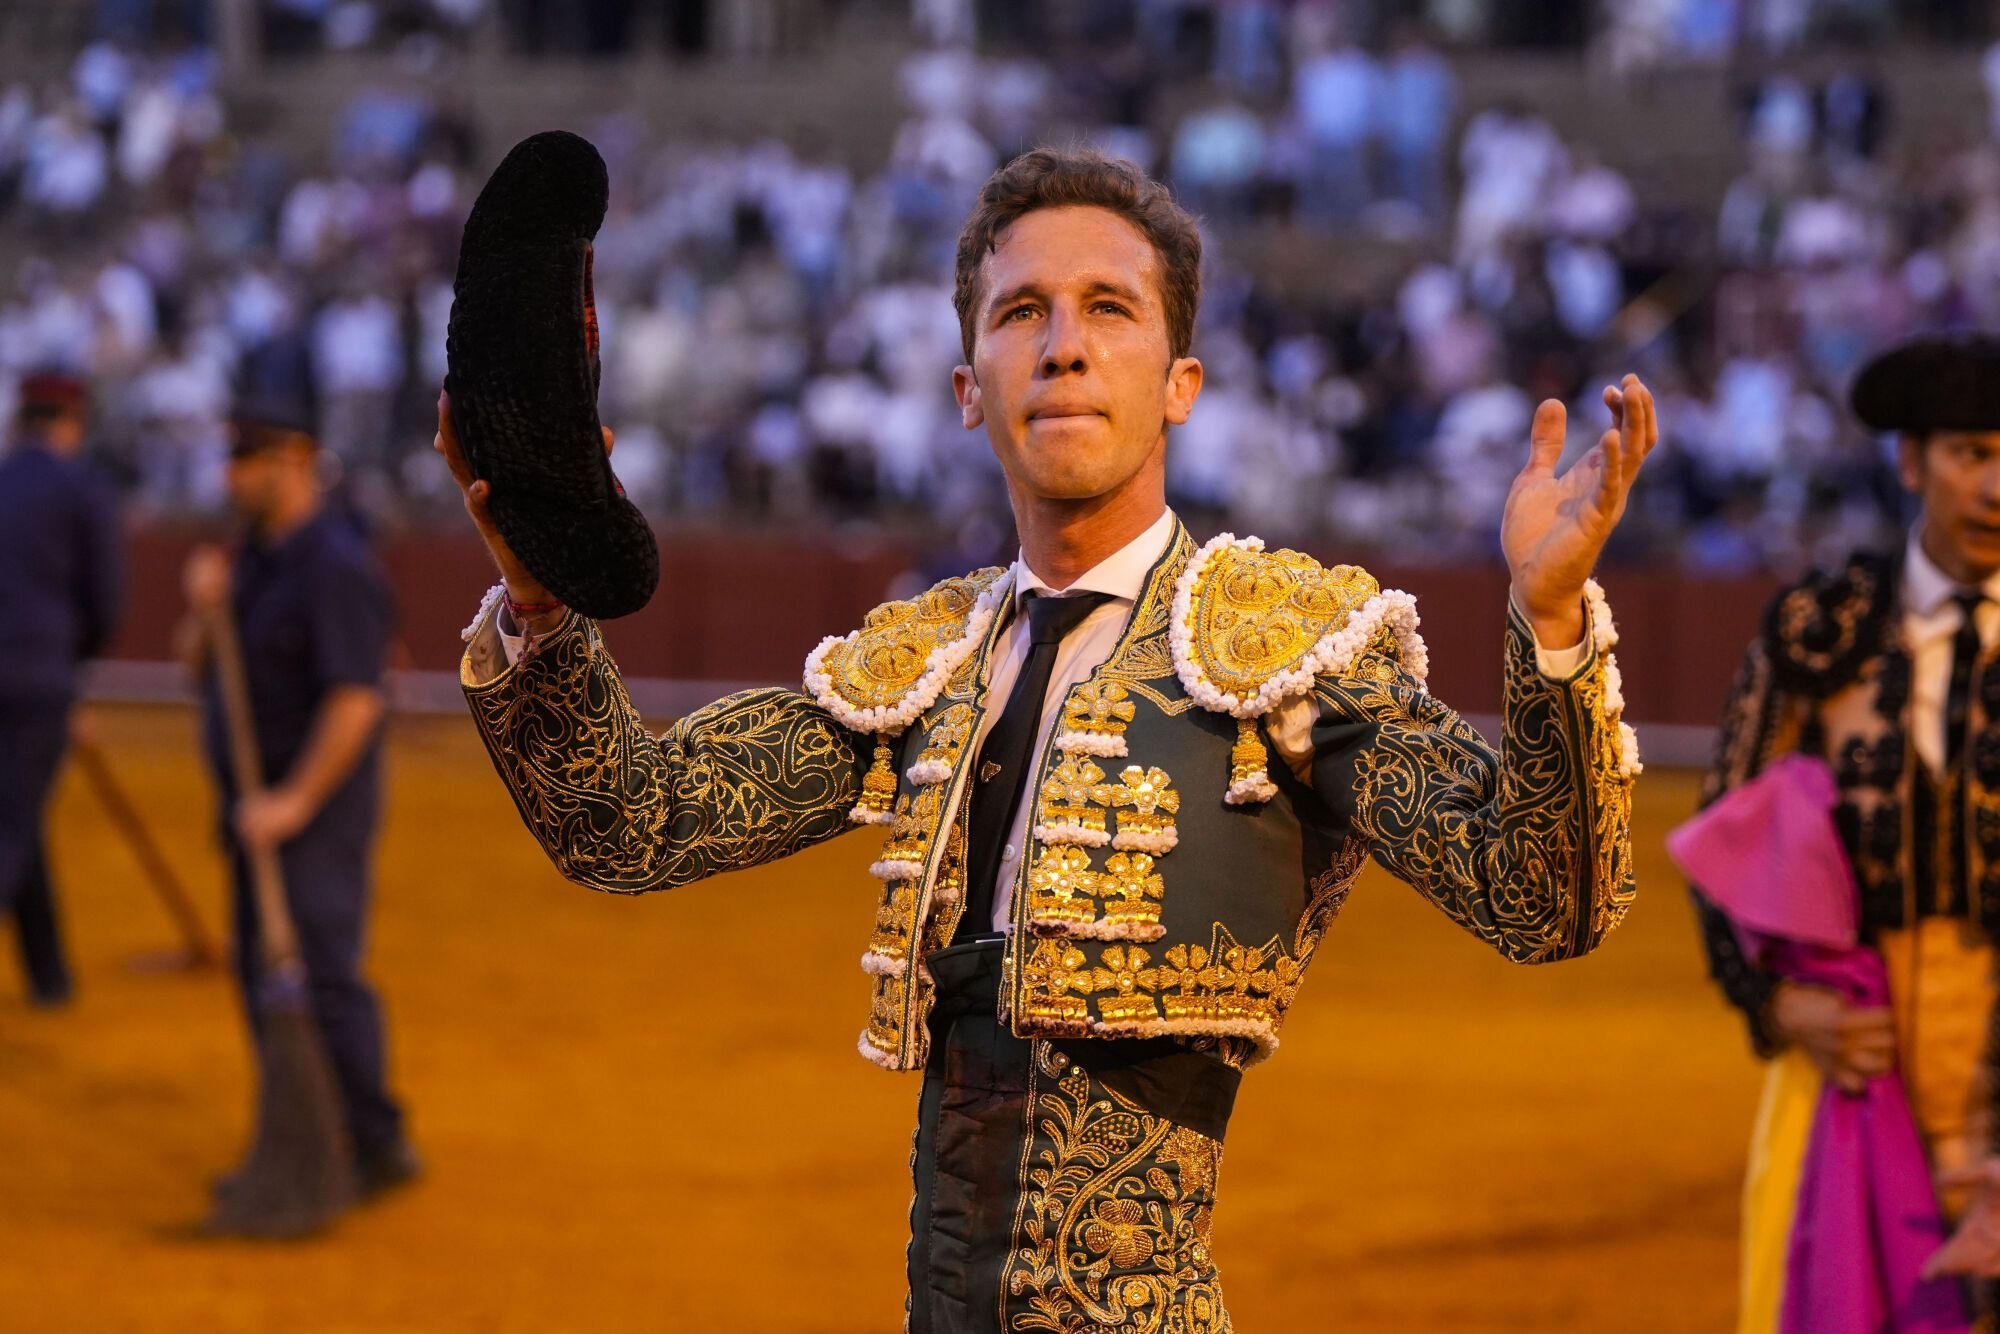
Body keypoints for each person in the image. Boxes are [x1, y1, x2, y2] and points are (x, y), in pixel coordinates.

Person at [445, 147, 1650, 1329]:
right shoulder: (927, 663)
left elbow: (1538, 895)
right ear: (969, 388)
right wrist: (543, 600)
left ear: (1178, 381)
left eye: (1107, 309)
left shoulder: (1281, 649)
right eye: (1021, 311)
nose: (1063, 343)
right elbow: (633, 820)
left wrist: (1546, 627)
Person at [1690, 334, 2000, 1316]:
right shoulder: (1821, 627)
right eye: (1969, 452)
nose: (1995, 485)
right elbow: (1720, 835)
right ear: (1910, 461)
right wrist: (1775, 1004)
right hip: (1856, 1067)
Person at [178, 408, 416, 1207]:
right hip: (255, 810)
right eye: (230, 459)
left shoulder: (336, 566)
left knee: (320, 975)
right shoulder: (251, 561)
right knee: (260, 976)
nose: (230, 475)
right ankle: (307, 1136)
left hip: (314, 814)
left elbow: (356, 701)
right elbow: (195, 671)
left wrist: (293, 801)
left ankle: (374, 1142)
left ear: (297, 460)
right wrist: (205, 613)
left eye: (248, 458)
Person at [0, 371, 123, 1007]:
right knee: (13, 826)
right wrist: (66, 675)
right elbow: (105, 602)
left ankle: (49, 979)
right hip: (36, 680)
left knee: (17, 816)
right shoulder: (82, 487)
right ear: (72, 423)